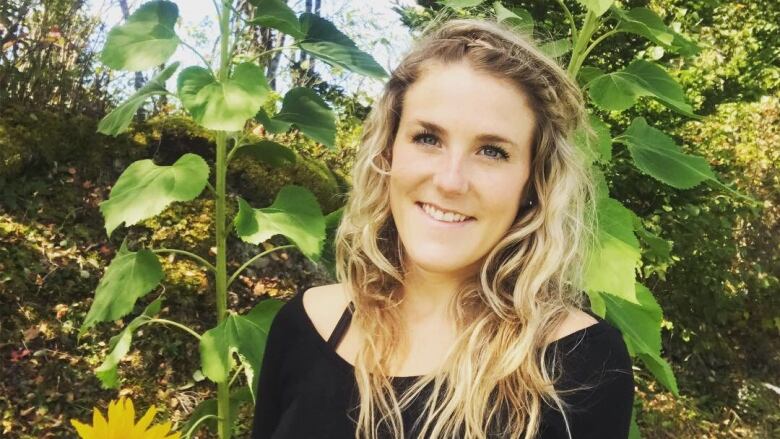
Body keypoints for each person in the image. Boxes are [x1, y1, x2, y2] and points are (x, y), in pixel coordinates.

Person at [251, 17, 634, 439]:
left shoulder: (581, 364)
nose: (451, 180)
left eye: (492, 151)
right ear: (389, 151)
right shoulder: (304, 325)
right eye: (428, 138)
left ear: (533, 182)